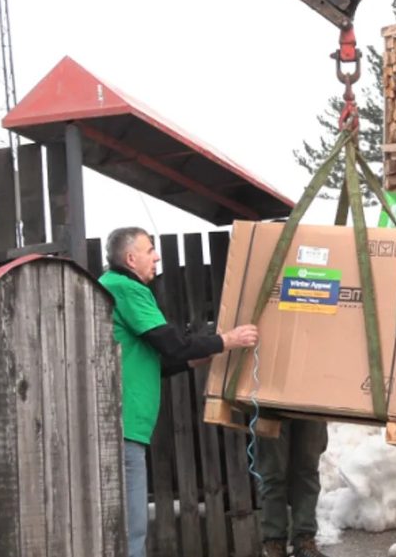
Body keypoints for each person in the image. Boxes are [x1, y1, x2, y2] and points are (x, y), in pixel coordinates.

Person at [98, 227, 259, 557]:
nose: (157, 257)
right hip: (123, 422)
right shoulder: (125, 287)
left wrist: (190, 362)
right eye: (150, 250)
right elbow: (171, 343)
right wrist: (226, 340)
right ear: (131, 258)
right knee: (133, 526)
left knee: (128, 522)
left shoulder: (116, 289)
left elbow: (150, 360)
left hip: (127, 422)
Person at [257, 422, 330, 557]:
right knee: (273, 473)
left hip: (312, 405)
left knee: (307, 470)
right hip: (271, 406)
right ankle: (274, 543)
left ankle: (304, 541)